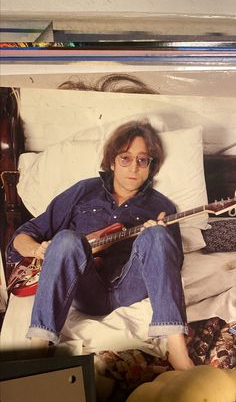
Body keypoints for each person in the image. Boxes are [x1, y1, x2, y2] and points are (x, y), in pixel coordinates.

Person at [7, 119, 194, 370]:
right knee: (65, 239)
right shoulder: (84, 191)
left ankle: (178, 353)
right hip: (85, 287)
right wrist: (37, 249)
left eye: (142, 160)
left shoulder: (162, 206)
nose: (134, 168)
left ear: (151, 166)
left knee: (158, 236)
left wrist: (159, 239)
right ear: (112, 161)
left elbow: (174, 264)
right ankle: (39, 350)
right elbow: (22, 235)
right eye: (125, 158)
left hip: (130, 288)